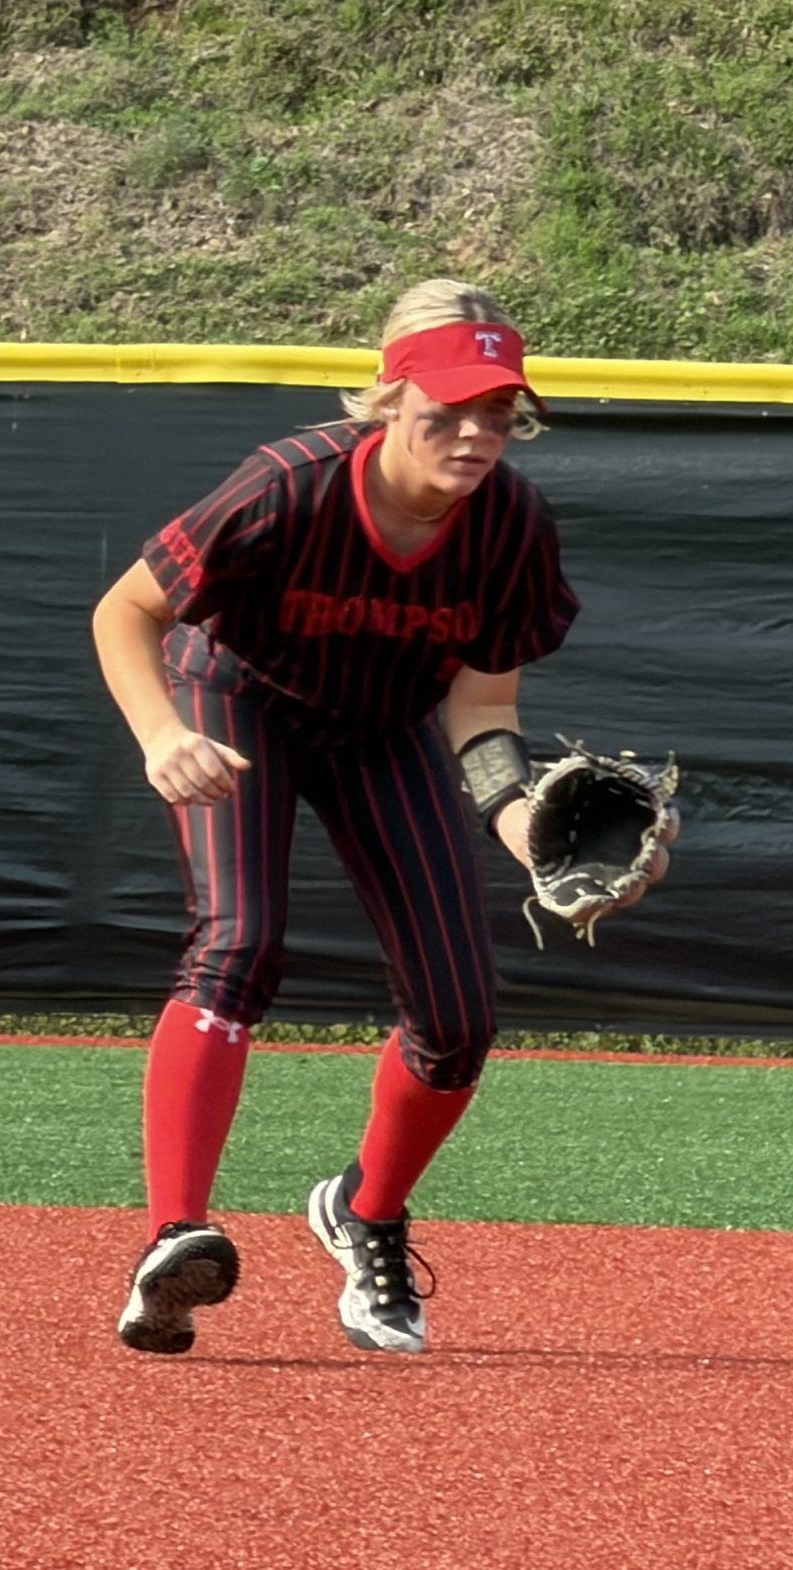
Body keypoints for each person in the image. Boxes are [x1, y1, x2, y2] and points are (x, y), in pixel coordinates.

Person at [90, 278, 606, 1356]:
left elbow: (485, 705)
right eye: (448, 409)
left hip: (383, 728)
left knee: (460, 1016)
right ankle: (174, 1234)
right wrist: (158, 736)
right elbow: (127, 608)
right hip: (240, 699)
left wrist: (525, 829)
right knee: (240, 942)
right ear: (386, 398)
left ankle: (364, 1211)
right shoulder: (291, 484)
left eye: (498, 413)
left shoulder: (510, 525)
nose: (474, 434)